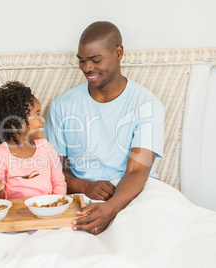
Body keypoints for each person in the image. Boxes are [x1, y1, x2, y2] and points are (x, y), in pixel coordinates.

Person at [44, 21, 164, 234]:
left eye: (95, 60)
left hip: (134, 194)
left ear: (118, 53)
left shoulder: (147, 104)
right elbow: (53, 170)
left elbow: (137, 171)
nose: (87, 68)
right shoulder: (62, 105)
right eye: (81, 61)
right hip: (81, 195)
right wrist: (85, 186)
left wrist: (110, 208)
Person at [0, 81, 67, 199]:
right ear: (15, 124)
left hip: (48, 210)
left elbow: (59, 183)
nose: (42, 120)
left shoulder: (46, 148)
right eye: (37, 115)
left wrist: (56, 203)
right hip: (16, 214)